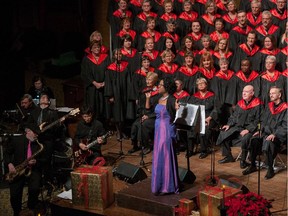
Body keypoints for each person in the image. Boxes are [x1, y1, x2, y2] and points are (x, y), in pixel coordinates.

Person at [243, 87, 287, 179]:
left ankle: (270, 169)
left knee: (268, 142)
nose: (271, 95)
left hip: (278, 137)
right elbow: (262, 121)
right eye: (270, 93)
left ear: (279, 95)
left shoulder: (285, 108)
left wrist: (275, 134)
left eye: (273, 93)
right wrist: (259, 130)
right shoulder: (269, 106)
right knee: (254, 140)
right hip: (265, 134)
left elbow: (285, 126)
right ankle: (253, 166)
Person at [216, 85, 262, 169]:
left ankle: (243, 160)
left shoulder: (258, 104)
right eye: (243, 91)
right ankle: (228, 156)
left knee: (246, 138)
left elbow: (258, 120)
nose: (244, 93)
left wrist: (248, 129)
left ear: (252, 93)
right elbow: (233, 116)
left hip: (251, 129)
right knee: (223, 132)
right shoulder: (240, 103)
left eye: (247, 92)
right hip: (238, 127)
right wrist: (228, 125)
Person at [4, 123, 43, 216]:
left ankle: (31, 208)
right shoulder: (17, 140)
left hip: (32, 169)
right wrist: (9, 164)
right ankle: (17, 212)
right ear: (28, 131)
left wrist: (36, 161)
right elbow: (6, 153)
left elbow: (44, 159)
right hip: (18, 170)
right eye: (35, 133)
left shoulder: (38, 143)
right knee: (14, 195)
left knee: (35, 188)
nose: (37, 135)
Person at [150, 77, 179, 195]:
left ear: (166, 87)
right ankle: (158, 184)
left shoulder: (172, 99)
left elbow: (178, 115)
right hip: (158, 130)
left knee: (166, 156)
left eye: (161, 85)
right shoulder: (158, 98)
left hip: (167, 130)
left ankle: (167, 186)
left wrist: (177, 109)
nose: (158, 87)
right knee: (158, 156)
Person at [179, 77, 219, 158]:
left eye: (202, 83)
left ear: (206, 85)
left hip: (209, 118)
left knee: (204, 129)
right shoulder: (194, 97)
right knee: (189, 128)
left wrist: (209, 118)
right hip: (197, 118)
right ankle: (190, 149)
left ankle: (204, 150)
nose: (200, 85)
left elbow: (216, 109)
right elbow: (188, 106)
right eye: (199, 84)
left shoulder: (212, 96)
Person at [129, 72, 160, 154]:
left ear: (154, 81)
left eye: (149, 79)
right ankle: (135, 145)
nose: (147, 81)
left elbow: (158, 108)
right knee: (135, 125)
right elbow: (140, 105)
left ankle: (146, 146)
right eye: (147, 79)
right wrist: (142, 115)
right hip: (144, 114)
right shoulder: (144, 91)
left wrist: (148, 116)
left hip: (154, 116)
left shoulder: (158, 93)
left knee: (143, 125)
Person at [81, 40, 110, 120]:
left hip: (104, 87)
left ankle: (105, 126)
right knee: (93, 106)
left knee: (104, 107)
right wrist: (94, 83)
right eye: (95, 47)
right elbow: (85, 74)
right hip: (92, 88)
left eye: (98, 47)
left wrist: (105, 82)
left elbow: (109, 71)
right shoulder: (86, 60)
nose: (97, 49)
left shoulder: (106, 58)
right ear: (91, 49)